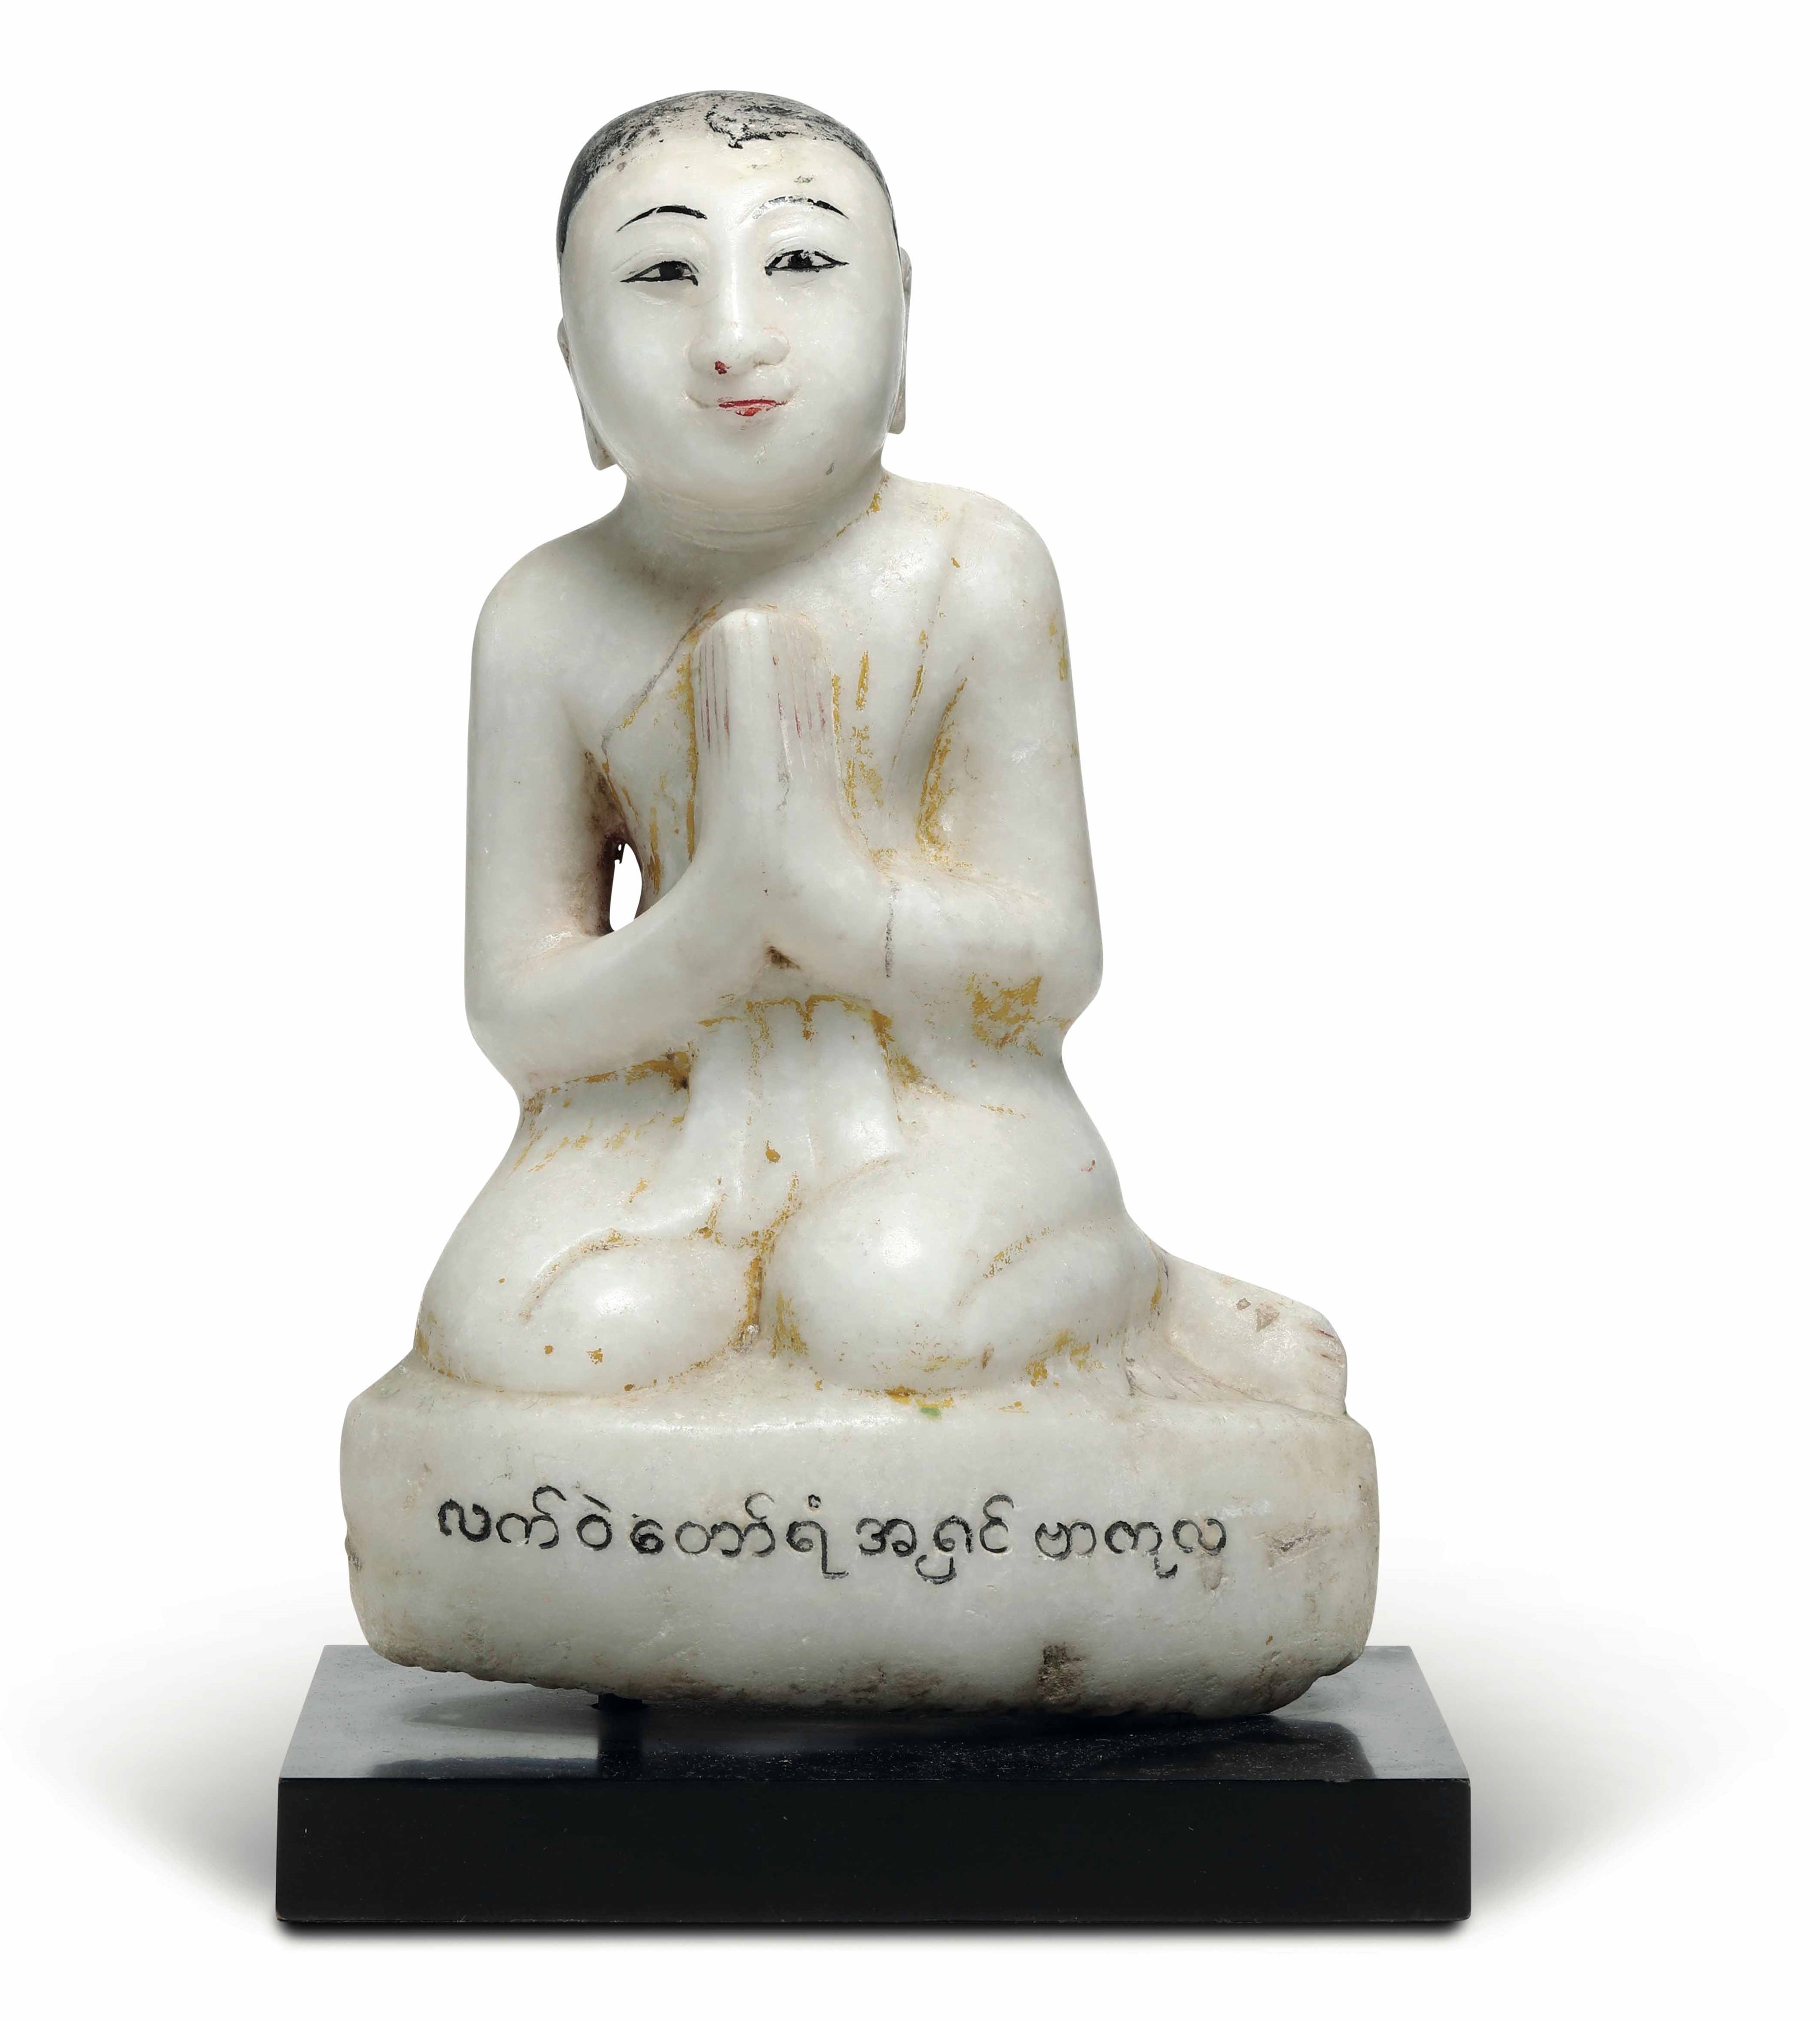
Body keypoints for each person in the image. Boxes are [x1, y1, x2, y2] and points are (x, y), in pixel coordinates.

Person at [415, 92, 1342, 1415]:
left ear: (904, 319)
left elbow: (1049, 961)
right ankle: (760, 1325)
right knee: (513, 1331)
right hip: (656, 1125)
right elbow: (519, 1011)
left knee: (882, 1298)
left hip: (948, 1104)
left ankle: (1151, 1295)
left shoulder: (971, 569)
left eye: (800, 260)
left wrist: (826, 898)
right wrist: (719, 922)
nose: (733, 337)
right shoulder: (543, 619)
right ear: (574, 366)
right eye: (663, 274)